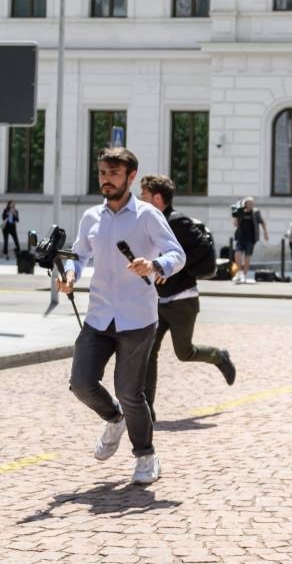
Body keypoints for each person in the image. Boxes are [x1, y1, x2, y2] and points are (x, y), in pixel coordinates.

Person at [57, 148, 186, 484]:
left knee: (130, 392)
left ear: (130, 177)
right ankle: (114, 420)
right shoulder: (91, 218)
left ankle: (145, 455)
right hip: (99, 316)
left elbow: (178, 254)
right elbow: (79, 255)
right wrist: (70, 275)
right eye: (102, 173)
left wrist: (155, 265)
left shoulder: (146, 215)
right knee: (81, 384)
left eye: (113, 174)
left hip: (138, 317)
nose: (106, 180)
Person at [138, 175, 237, 423]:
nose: (140, 199)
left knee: (184, 352)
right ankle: (147, 409)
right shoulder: (148, 224)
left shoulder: (177, 222)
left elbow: (197, 253)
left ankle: (218, 355)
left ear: (158, 198)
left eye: (145, 195)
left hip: (182, 299)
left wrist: (169, 268)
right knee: (149, 352)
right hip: (157, 301)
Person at [232, 196, 268, 284]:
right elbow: (235, 224)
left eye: (253, 203)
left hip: (251, 238)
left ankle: (244, 274)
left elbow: (263, 222)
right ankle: (239, 272)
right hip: (241, 237)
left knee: (247, 257)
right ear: (246, 204)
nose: (252, 205)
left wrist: (265, 233)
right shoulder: (240, 212)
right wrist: (236, 215)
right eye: (250, 203)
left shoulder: (256, 212)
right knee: (237, 254)